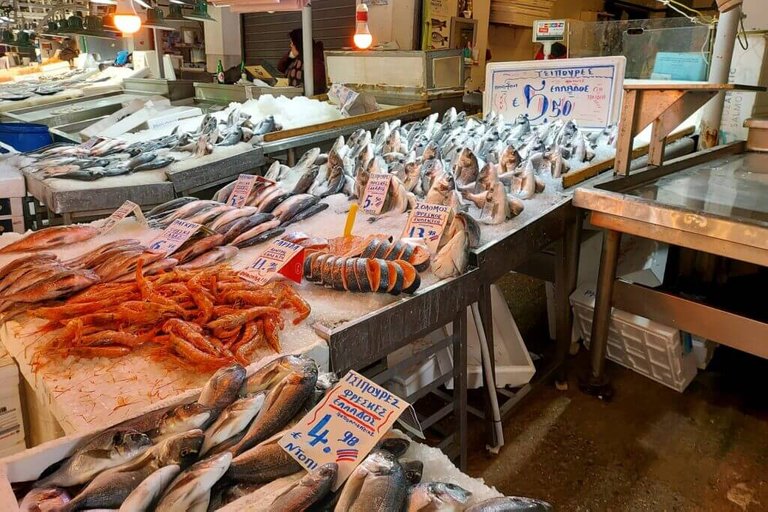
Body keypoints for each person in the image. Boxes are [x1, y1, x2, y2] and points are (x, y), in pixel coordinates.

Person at [277, 28, 327, 95]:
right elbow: (281, 68)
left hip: (306, 101)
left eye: (292, 43)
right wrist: (289, 56)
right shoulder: (297, 57)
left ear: (298, 44)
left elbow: (318, 87)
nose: (290, 45)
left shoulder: (315, 61)